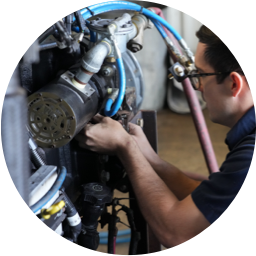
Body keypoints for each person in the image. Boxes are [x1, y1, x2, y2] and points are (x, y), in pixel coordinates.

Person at [74, 25, 255, 248]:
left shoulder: (248, 157)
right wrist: (150, 158)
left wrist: (126, 147)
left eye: (199, 75)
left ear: (234, 84)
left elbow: (177, 233)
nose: (197, 87)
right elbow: (211, 201)